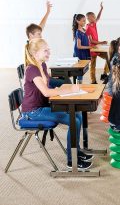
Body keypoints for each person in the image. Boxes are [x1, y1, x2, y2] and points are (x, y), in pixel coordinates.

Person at [22, 38, 94, 169]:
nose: (49, 52)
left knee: (77, 114)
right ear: (35, 53)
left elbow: (50, 89)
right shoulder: (32, 70)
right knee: (74, 120)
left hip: (42, 106)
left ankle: (76, 151)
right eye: (46, 50)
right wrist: (68, 89)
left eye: (48, 49)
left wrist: (62, 90)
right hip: (33, 112)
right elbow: (46, 92)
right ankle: (72, 160)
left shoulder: (42, 65)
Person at [25, 1, 69, 87]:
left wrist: (48, 12)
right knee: (66, 83)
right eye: (38, 34)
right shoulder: (31, 47)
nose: (41, 36)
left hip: (45, 76)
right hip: (42, 81)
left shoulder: (36, 42)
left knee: (66, 79)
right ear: (31, 35)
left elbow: (41, 26)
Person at [86, 2, 109, 84]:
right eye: (93, 16)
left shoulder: (94, 24)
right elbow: (91, 41)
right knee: (93, 65)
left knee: (108, 58)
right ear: (89, 18)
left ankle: (104, 74)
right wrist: (101, 42)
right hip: (92, 49)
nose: (95, 18)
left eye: (95, 16)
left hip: (97, 48)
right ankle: (93, 81)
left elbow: (98, 18)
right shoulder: (88, 27)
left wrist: (101, 9)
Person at [72, 14, 95, 83]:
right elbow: (79, 46)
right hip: (79, 53)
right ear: (78, 21)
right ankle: (79, 84)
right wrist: (89, 47)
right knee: (80, 70)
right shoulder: (78, 32)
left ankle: (78, 83)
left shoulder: (84, 30)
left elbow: (89, 40)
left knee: (83, 69)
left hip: (84, 51)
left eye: (85, 21)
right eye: (83, 21)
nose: (84, 22)